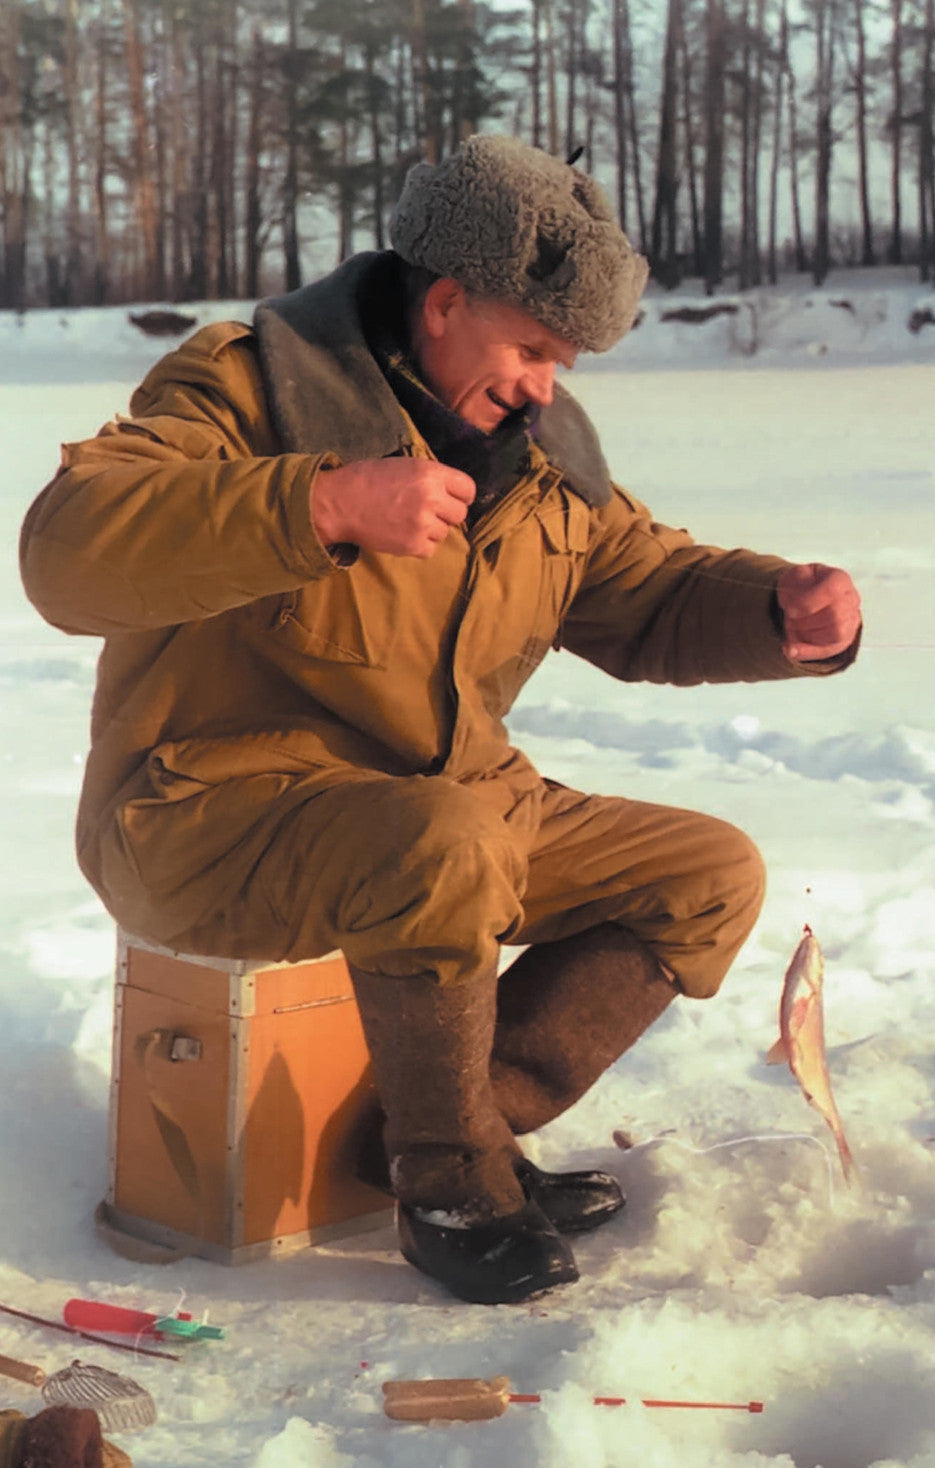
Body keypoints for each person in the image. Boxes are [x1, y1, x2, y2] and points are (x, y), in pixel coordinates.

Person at [20, 135, 861, 1306]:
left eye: (564, 361)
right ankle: (452, 1187)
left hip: (443, 808)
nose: (544, 386)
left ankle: (461, 1130)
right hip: (204, 813)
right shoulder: (251, 387)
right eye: (531, 348)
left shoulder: (539, 457)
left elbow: (645, 589)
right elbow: (67, 549)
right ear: (447, 302)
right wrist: (316, 503)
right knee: (443, 846)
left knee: (705, 876)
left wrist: (779, 611)